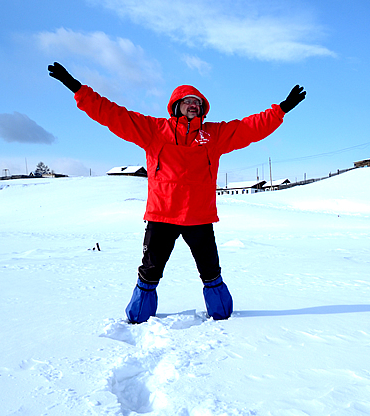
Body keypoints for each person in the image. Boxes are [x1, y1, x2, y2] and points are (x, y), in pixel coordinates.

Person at [48, 62, 305, 323]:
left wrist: (280, 110)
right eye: (187, 101)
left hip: (199, 218)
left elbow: (250, 128)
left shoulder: (213, 135)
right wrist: (76, 87)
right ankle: (138, 317)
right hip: (161, 216)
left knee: (211, 273)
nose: (193, 105)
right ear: (176, 106)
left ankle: (222, 316)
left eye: (197, 102)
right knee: (149, 273)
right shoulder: (153, 131)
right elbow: (113, 115)